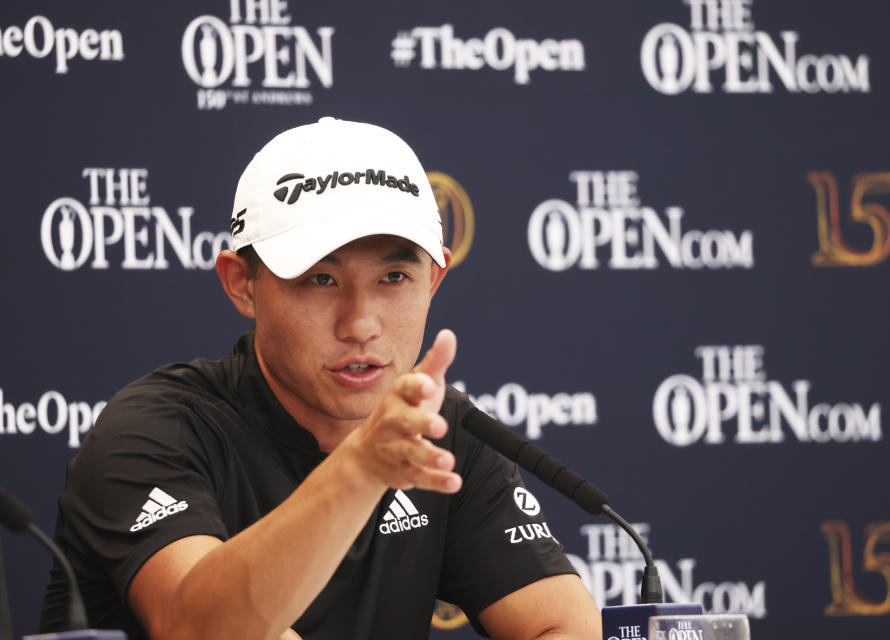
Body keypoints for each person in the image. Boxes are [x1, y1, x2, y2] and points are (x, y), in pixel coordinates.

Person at [40, 117, 601, 639]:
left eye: (395, 276)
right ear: (242, 284)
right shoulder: (156, 428)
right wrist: (359, 472)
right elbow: (197, 626)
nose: (360, 324)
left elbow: (565, 626)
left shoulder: (444, 430)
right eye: (320, 279)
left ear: (433, 280)